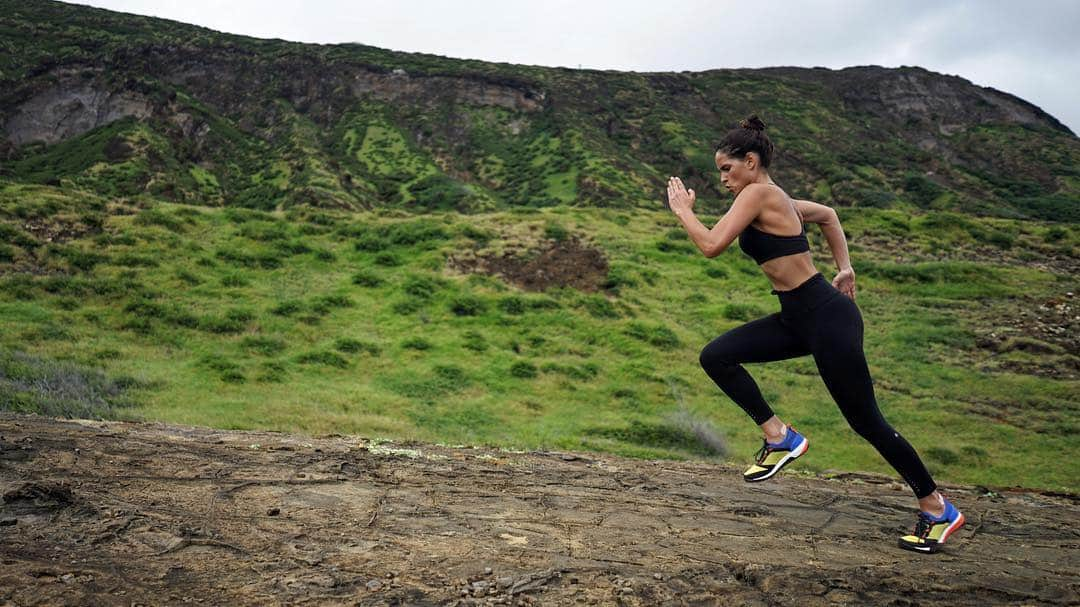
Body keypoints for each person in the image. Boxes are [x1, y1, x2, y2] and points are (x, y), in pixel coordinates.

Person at [665, 115, 964, 554]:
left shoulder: (759, 193)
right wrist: (844, 266)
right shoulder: (775, 198)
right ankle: (779, 436)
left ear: (750, 161)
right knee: (717, 356)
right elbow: (827, 214)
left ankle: (938, 507)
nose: (722, 179)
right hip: (799, 317)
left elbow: (711, 245)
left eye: (726, 169)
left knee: (867, 422)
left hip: (826, 318)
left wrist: (683, 213)